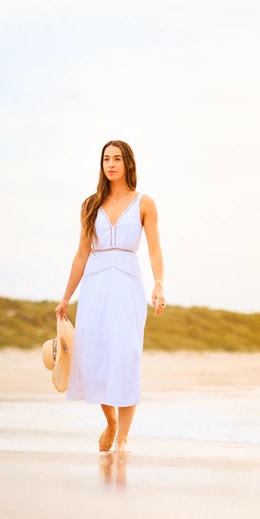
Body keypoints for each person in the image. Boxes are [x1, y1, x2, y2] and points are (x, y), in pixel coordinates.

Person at [56, 140, 166, 453]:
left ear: (128, 164)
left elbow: (155, 248)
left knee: (126, 355)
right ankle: (111, 421)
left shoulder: (144, 203)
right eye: (106, 159)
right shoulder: (90, 205)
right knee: (95, 356)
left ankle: (124, 437)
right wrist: (66, 297)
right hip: (95, 286)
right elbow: (81, 253)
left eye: (117, 159)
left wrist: (159, 283)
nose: (111, 164)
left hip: (128, 286)